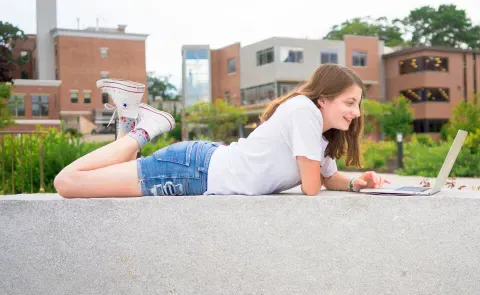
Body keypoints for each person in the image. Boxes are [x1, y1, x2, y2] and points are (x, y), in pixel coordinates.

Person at [54, 64, 389, 198]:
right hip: (191, 171)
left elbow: (330, 178)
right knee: (66, 184)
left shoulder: (318, 134)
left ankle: (132, 120)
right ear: (324, 99)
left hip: (200, 168)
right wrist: (329, 176)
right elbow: (312, 186)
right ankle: (146, 129)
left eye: (358, 104)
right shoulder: (303, 110)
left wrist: (359, 182)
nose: (355, 113)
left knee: (107, 176)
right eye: (349, 102)